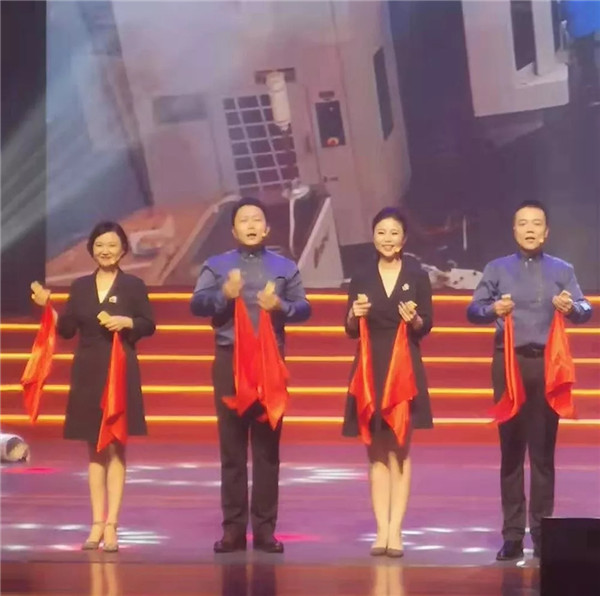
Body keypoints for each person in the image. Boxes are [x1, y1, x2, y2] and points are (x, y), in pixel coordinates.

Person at [467, 200, 592, 560]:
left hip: (547, 367)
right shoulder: (497, 268)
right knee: (510, 452)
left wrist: (573, 308)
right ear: (514, 230)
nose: (530, 229)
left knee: (542, 454)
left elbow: (585, 309)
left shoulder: (562, 270)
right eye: (523, 223)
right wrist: (492, 309)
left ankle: (541, 533)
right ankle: (511, 535)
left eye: (536, 223)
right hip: (509, 366)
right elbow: (473, 310)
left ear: (546, 231)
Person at [190, 197, 311, 554]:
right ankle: (232, 529)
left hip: (269, 363)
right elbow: (196, 304)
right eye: (244, 220)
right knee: (232, 450)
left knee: (266, 451)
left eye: (257, 219)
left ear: (267, 228)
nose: (252, 225)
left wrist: (281, 306)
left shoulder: (285, 267)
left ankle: (264, 530)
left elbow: (304, 307)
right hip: (230, 361)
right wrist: (223, 296)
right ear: (233, 229)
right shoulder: (216, 266)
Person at [31, 221, 155, 552]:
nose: (105, 251)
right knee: (94, 451)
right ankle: (96, 523)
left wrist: (128, 322)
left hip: (120, 370)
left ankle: (112, 524)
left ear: (123, 249)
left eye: (112, 245)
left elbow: (148, 324)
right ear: (91, 249)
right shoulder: (81, 286)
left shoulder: (133, 285)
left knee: (116, 447)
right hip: (87, 371)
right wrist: (48, 307)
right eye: (99, 245)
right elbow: (67, 330)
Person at [342, 207, 434, 557]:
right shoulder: (362, 276)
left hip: (404, 368)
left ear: (404, 238)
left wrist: (415, 320)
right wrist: (354, 315)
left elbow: (427, 325)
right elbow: (350, 328)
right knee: (376, 453)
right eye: (381, 232)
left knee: (400, 451)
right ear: (373, 236)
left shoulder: (417, 275)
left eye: (394, 232)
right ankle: (381, 529)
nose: (387, 239)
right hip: (369, 368)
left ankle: (396, 531)